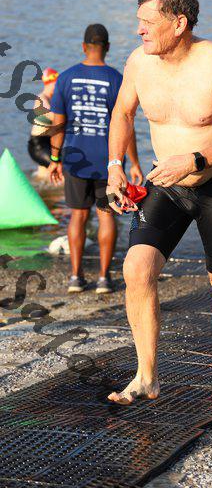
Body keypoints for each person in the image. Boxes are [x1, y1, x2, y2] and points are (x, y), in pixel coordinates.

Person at [106, 0, 212, 406]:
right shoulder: (139, 62)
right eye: (138, 21)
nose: (139, 29)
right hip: (166, 184)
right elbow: (122, 113)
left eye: (148, 22)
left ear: (179, 23)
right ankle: (147, 376)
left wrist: (195, 160)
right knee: (136, 269)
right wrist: (115, 167)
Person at [47, 24, 143, 294]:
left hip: (75, 160)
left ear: (83, 46)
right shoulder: (116, 79)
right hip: (109, 162)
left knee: (77, 216)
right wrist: (134, 163)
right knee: (106, 215)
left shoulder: (66, 78)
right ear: (107, 47)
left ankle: (75, 277)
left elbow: (58, 124)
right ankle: (103, 278)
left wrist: (54, 157)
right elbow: (126, 125)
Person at [28, 67, 59, 179]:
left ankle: (38, 187)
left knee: (43, 178)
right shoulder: (41, 99)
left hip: (49, 143)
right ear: (50, 83)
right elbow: (52, 116)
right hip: (38, 146)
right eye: (57, 84)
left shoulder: (54, 99)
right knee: (60, 169)